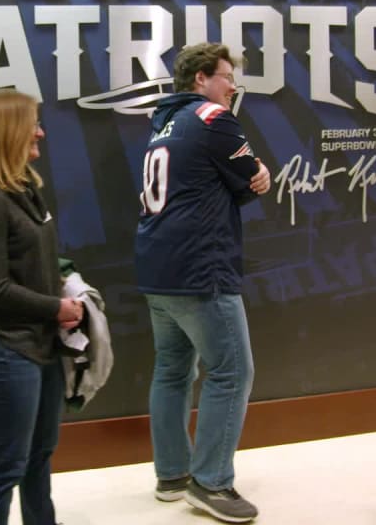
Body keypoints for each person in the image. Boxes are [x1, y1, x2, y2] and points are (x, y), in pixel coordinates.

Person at [135, 43, 271, 524]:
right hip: (200, 271)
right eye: (226, 76)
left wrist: (242, 178)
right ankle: (211, 482)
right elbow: (248, 176)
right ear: (201, 80)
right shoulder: (213, 117)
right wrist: (259, 173)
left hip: (157, 270)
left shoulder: (160, 125)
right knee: (232, 371)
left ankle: (172, 475)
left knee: (172, 371)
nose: (233, 86)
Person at [0, 89, 83, 525]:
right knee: (7, 464)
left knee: (39, 454)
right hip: (5, 348)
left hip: (40, 343)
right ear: (9, 131)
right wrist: (56, 308)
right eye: (34, 124)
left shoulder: (26, 187)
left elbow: (32, 263)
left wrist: (65, 289)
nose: (41, 132)